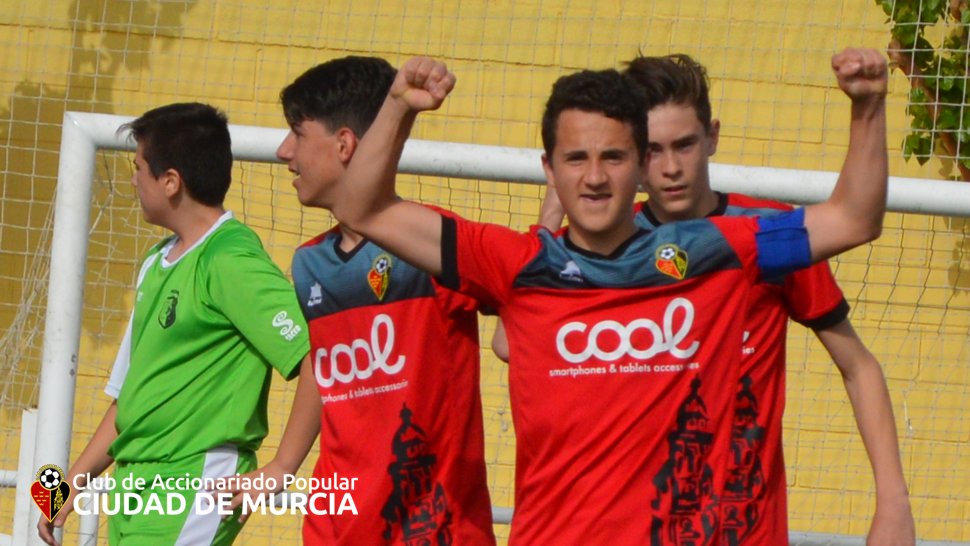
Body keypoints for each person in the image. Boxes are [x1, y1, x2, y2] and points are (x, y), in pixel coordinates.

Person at [328, 50, 888, 544]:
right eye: (576, 159)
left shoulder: (719, 250)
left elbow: (853, 218)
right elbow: (362, 207)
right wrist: (399, 106)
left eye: (614, 158)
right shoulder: (514, 264)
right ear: (550, 169)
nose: (595, 178)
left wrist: (867, 107)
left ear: (639, 163)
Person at [621, 53, 915, 546]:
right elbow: (510, 342)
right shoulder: (610, 246)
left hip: (745, 529)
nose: (670, 167)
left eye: (685, 145)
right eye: (651, 150)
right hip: (629, 526)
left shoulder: (766, 235)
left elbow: (858, 366)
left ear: (711, 136)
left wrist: (893, 502)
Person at [223, 56, 495, 545]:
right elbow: (321, 362)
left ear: (345, 144)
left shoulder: (435, 246)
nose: (285, 151)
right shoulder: (309, 262)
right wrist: (283, 465)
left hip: (435, 530)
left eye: (297, 133)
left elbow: (525, 299)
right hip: (337, 527)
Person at [37, 102, 310, 546]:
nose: (132, 179)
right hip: (136, 487)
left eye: (138, 167)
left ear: (170, 182)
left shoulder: (229, 260)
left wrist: (281, 467)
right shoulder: (154, 263)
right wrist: (72, 483)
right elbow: (130, 400)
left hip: (195, 482)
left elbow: (319, 350)